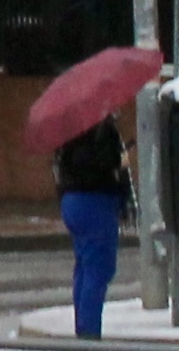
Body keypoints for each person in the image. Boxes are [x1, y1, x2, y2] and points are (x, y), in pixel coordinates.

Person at [53, 107, 129, 338]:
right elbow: (99, 163)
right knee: (99, 267)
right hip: (95, 202)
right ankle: (89, 331)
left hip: (72, 201)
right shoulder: (97, 131)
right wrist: (121, 160)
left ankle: (84, 325)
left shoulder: (71, 130)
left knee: (86, 265)